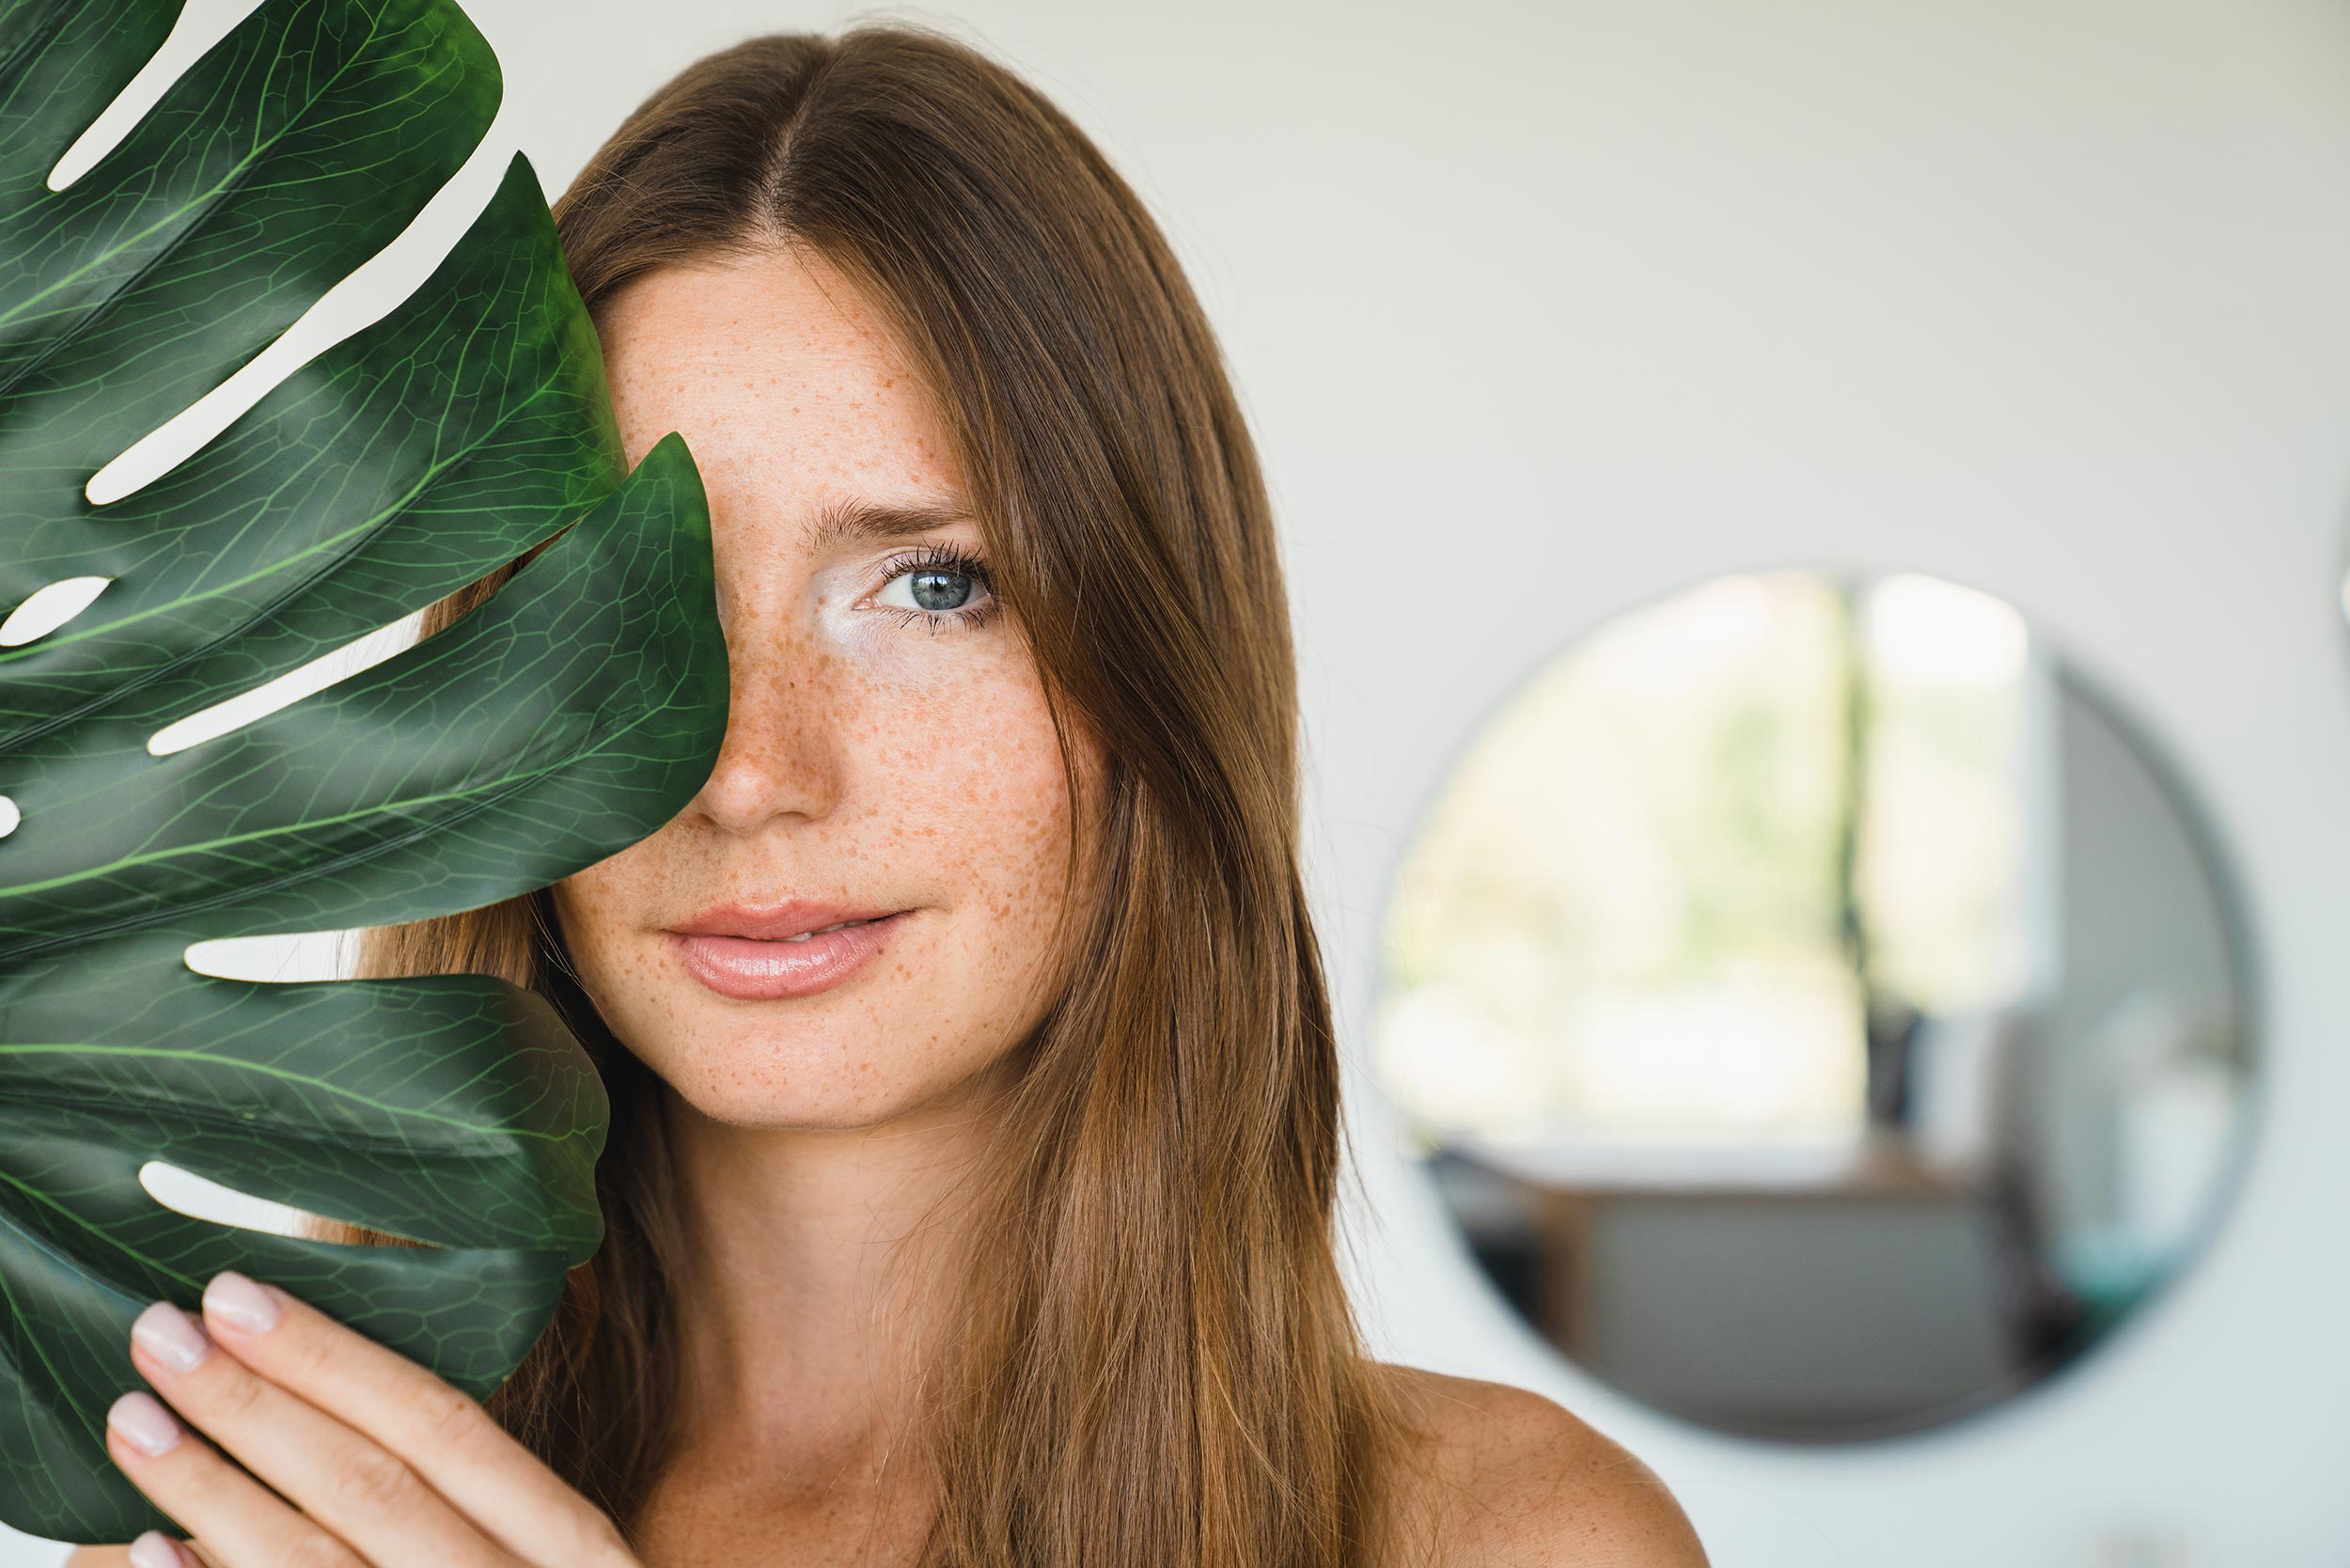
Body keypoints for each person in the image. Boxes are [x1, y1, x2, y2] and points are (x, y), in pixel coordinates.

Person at [73, 22, 1708, 1568]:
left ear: (1151, 667)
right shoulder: (251, 1522)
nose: (750, 772)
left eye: (929, 589)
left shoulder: (1506, 1538)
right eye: (632, 592)